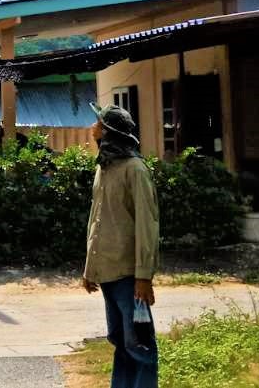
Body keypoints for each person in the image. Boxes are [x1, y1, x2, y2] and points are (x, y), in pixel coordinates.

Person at [82, 103, 160, 388]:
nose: (93, 128)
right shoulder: (104, 168)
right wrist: (90, 269)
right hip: (108, 273)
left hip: (130, 275)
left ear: (109, 132)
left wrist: (143, 276)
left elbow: (146, 224)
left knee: (139, 343)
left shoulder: (135, 169)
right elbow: (97, 220)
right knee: (120, 341)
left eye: (98, 124)